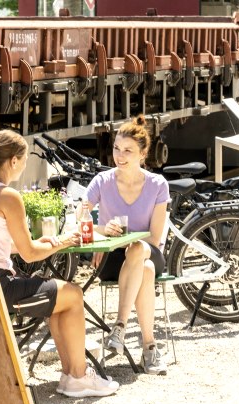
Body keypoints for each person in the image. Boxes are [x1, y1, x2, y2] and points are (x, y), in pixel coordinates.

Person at [0, 129, 119, 398]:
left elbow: (5, 246)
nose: (24, 165)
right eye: (23, 160)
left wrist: (54, 241)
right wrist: (67, 241)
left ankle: (72, 376)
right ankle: (78, 377)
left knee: (61, 299)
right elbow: (29, 254)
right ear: (13, 161)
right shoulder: (7, 196)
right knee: (74, 294)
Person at [82, 115, 170, 375]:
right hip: (113, 260)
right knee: (146, 271)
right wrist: (101, 230)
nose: (119, 156)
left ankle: (119, 326)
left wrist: (125, 237)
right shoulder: (102, 181)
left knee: (139, 250)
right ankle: (150, 349)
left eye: (128, 151)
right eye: (116, 149)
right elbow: (79, 215)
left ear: (143, 154)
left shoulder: (157, 185)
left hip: (150, 252)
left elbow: (154, 238)